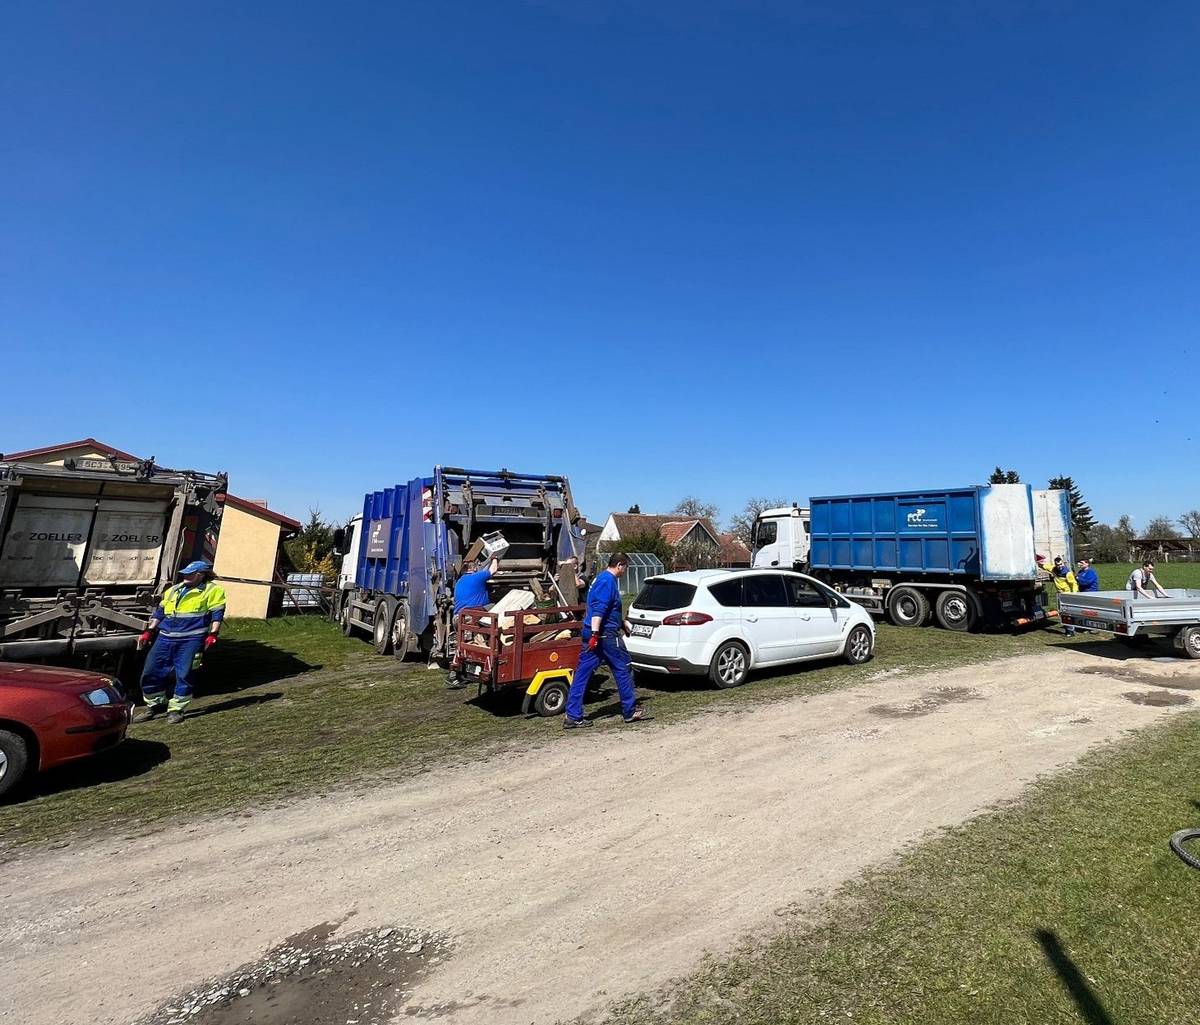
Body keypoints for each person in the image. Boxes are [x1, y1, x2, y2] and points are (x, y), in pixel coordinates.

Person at [563, 553, 649, 728]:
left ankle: (572, 716)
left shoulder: (599, 579)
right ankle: (630, 710)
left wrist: (622, 623)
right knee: (622, 668)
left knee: (582, 674)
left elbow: (605, 609)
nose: (625, 571)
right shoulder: (608, 582)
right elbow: (599, 610)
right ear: (620, 565)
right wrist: (596, 634)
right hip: (604, 635)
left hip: (594, 633)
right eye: (626, 568)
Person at [137, 560, 226, 724]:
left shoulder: (213, 590)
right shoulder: (173, 590)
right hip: (165, 637)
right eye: (184, 573)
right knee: (151, 671)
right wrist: (149, 631)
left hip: (191, 639)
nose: (185, 576)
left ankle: (176, 709)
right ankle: (155, 705)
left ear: (201, 575)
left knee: (184, 674)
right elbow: (161, 612)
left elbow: (217, 614)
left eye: (190, 574)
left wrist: (213, 634)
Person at [446, 556, 500, 688]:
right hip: (470, 619)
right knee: (473, 647)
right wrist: (494, 558)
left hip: (459, 617)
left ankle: (458, 675)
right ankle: (457, 675)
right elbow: (493, 570)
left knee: (464, 646)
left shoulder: (460, 581)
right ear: (474, 568)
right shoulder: (476, 577)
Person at [1049, 556, 1078, 635]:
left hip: (1066, 594)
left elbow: (1073, 583)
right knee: (1061, 612)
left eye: (1060, 564)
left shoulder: (1067, 572)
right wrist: (1040, 563)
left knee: (1067, 612)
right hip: (1059, 593)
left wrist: (1074, 593)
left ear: (1063, 563)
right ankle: (1067, 628)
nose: (1059, 566)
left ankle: (1070, 631)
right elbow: (1046, 566)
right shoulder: (1053, 569)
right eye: (1057, 565)